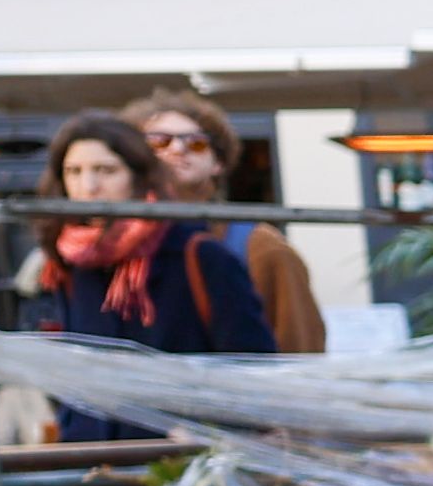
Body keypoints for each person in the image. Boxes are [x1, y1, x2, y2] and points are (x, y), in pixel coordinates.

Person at [21, 110, 275, 439]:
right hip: (92, 469)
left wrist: (211, 431)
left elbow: (254, 368)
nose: (89, 186)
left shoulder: (197, 254)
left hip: (178, 461)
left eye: (106, 170)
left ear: (139, 177)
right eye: (74, 171)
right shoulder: (68, 262)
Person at [124, 89, 326, 354]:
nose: (177, 148)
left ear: (217, 162)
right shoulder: (108, 246)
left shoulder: (259, 246)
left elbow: (300, 351)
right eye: (159, 142)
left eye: (196, 143)